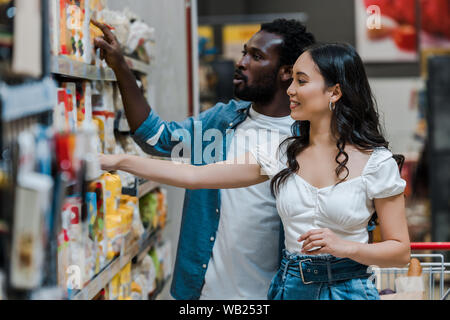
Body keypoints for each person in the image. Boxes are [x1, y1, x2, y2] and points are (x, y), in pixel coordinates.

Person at [99, 42, 411, 300]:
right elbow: (194, 176)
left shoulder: (376, 163)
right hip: (289, 289)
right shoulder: (282, 153)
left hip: (349, 290)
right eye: (291, 80)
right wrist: (118, 162)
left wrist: (346, 247)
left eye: (302, 81)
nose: (290, 89)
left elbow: (399, 251)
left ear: (334, 93)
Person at [92, 19, 316, 299]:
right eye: (245, 51)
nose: (241, 62)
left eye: (256, 56)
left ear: (286, 73)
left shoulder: (307, 139)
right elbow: (157, 137)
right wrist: (121, 67)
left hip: (268, 294)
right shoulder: (222, 121)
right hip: (203, 293)